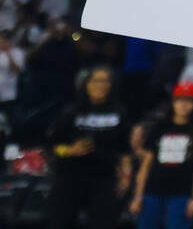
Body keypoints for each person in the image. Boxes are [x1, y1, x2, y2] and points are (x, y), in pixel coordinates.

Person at [46, 65, 132, 229]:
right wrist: (70, 150)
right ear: (86, 84)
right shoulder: (70, 112)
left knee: (103, 222)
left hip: (103, 177)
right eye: (96, 80)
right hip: (70, 176)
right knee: (60, 222)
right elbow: (51, 146)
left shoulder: (119, 112)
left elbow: (124, 148)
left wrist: (126, 175)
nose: (101, 85)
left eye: (105, 81)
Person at [130, 81, 193, 229]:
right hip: (153, 189)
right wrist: (138, 196)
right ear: (173, 102)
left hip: (182, 192)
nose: (183, 105)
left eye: (189, 100)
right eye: (179, 100)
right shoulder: (159, 127)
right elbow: (146, 164)